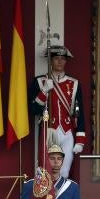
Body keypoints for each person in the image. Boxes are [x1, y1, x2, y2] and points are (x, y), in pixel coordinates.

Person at [29, 45, 86, 178]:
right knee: (47, 171)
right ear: (51, 61)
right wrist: (44, 92)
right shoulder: (39, 81)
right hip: (49, 130)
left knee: (64, 172)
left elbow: (79, 112)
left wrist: (80, 140)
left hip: (67, 132)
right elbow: (34, 110)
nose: (60, 62)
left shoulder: (74, 83)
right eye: (56, 59)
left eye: (62, 59)